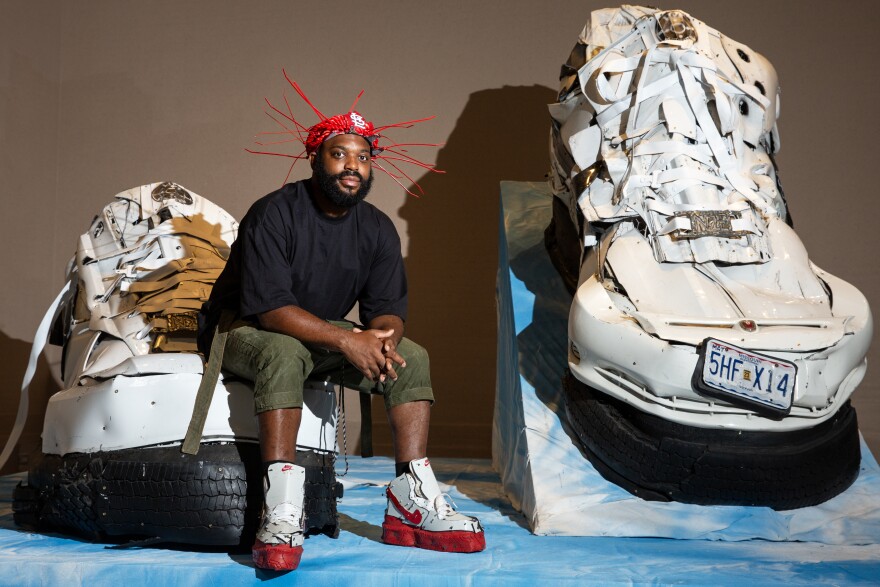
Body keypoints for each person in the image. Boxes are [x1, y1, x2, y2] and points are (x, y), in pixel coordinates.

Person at [200, 91, 485, 571]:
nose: (352, 166)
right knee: (284, 354)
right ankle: (281, 508)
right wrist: (347, 339)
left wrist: (382, 338)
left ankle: (410, 502)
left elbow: (387, 311)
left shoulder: (376, 228)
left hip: (319, 332)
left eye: (363, 158)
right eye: (339, 155)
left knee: (410, 356)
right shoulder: (274, 213)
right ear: (315, 159)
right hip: (244, 330)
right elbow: (270, 311)